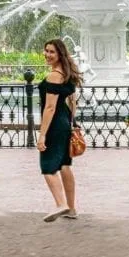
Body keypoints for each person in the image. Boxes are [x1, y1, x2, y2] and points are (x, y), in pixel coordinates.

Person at [37, 38, 82, 222]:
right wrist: (72, 123)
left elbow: (50, 108)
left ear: (60, 54)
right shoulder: (68, 73)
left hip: (54, 126)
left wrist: (42, 135)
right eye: (46, 51)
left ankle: (60, 204)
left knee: (48, 166)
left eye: (52, 52)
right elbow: (72, 102)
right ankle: (71, 209)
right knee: (64, 165)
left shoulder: (54, 75)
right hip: (64, 123)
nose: (47, 54)